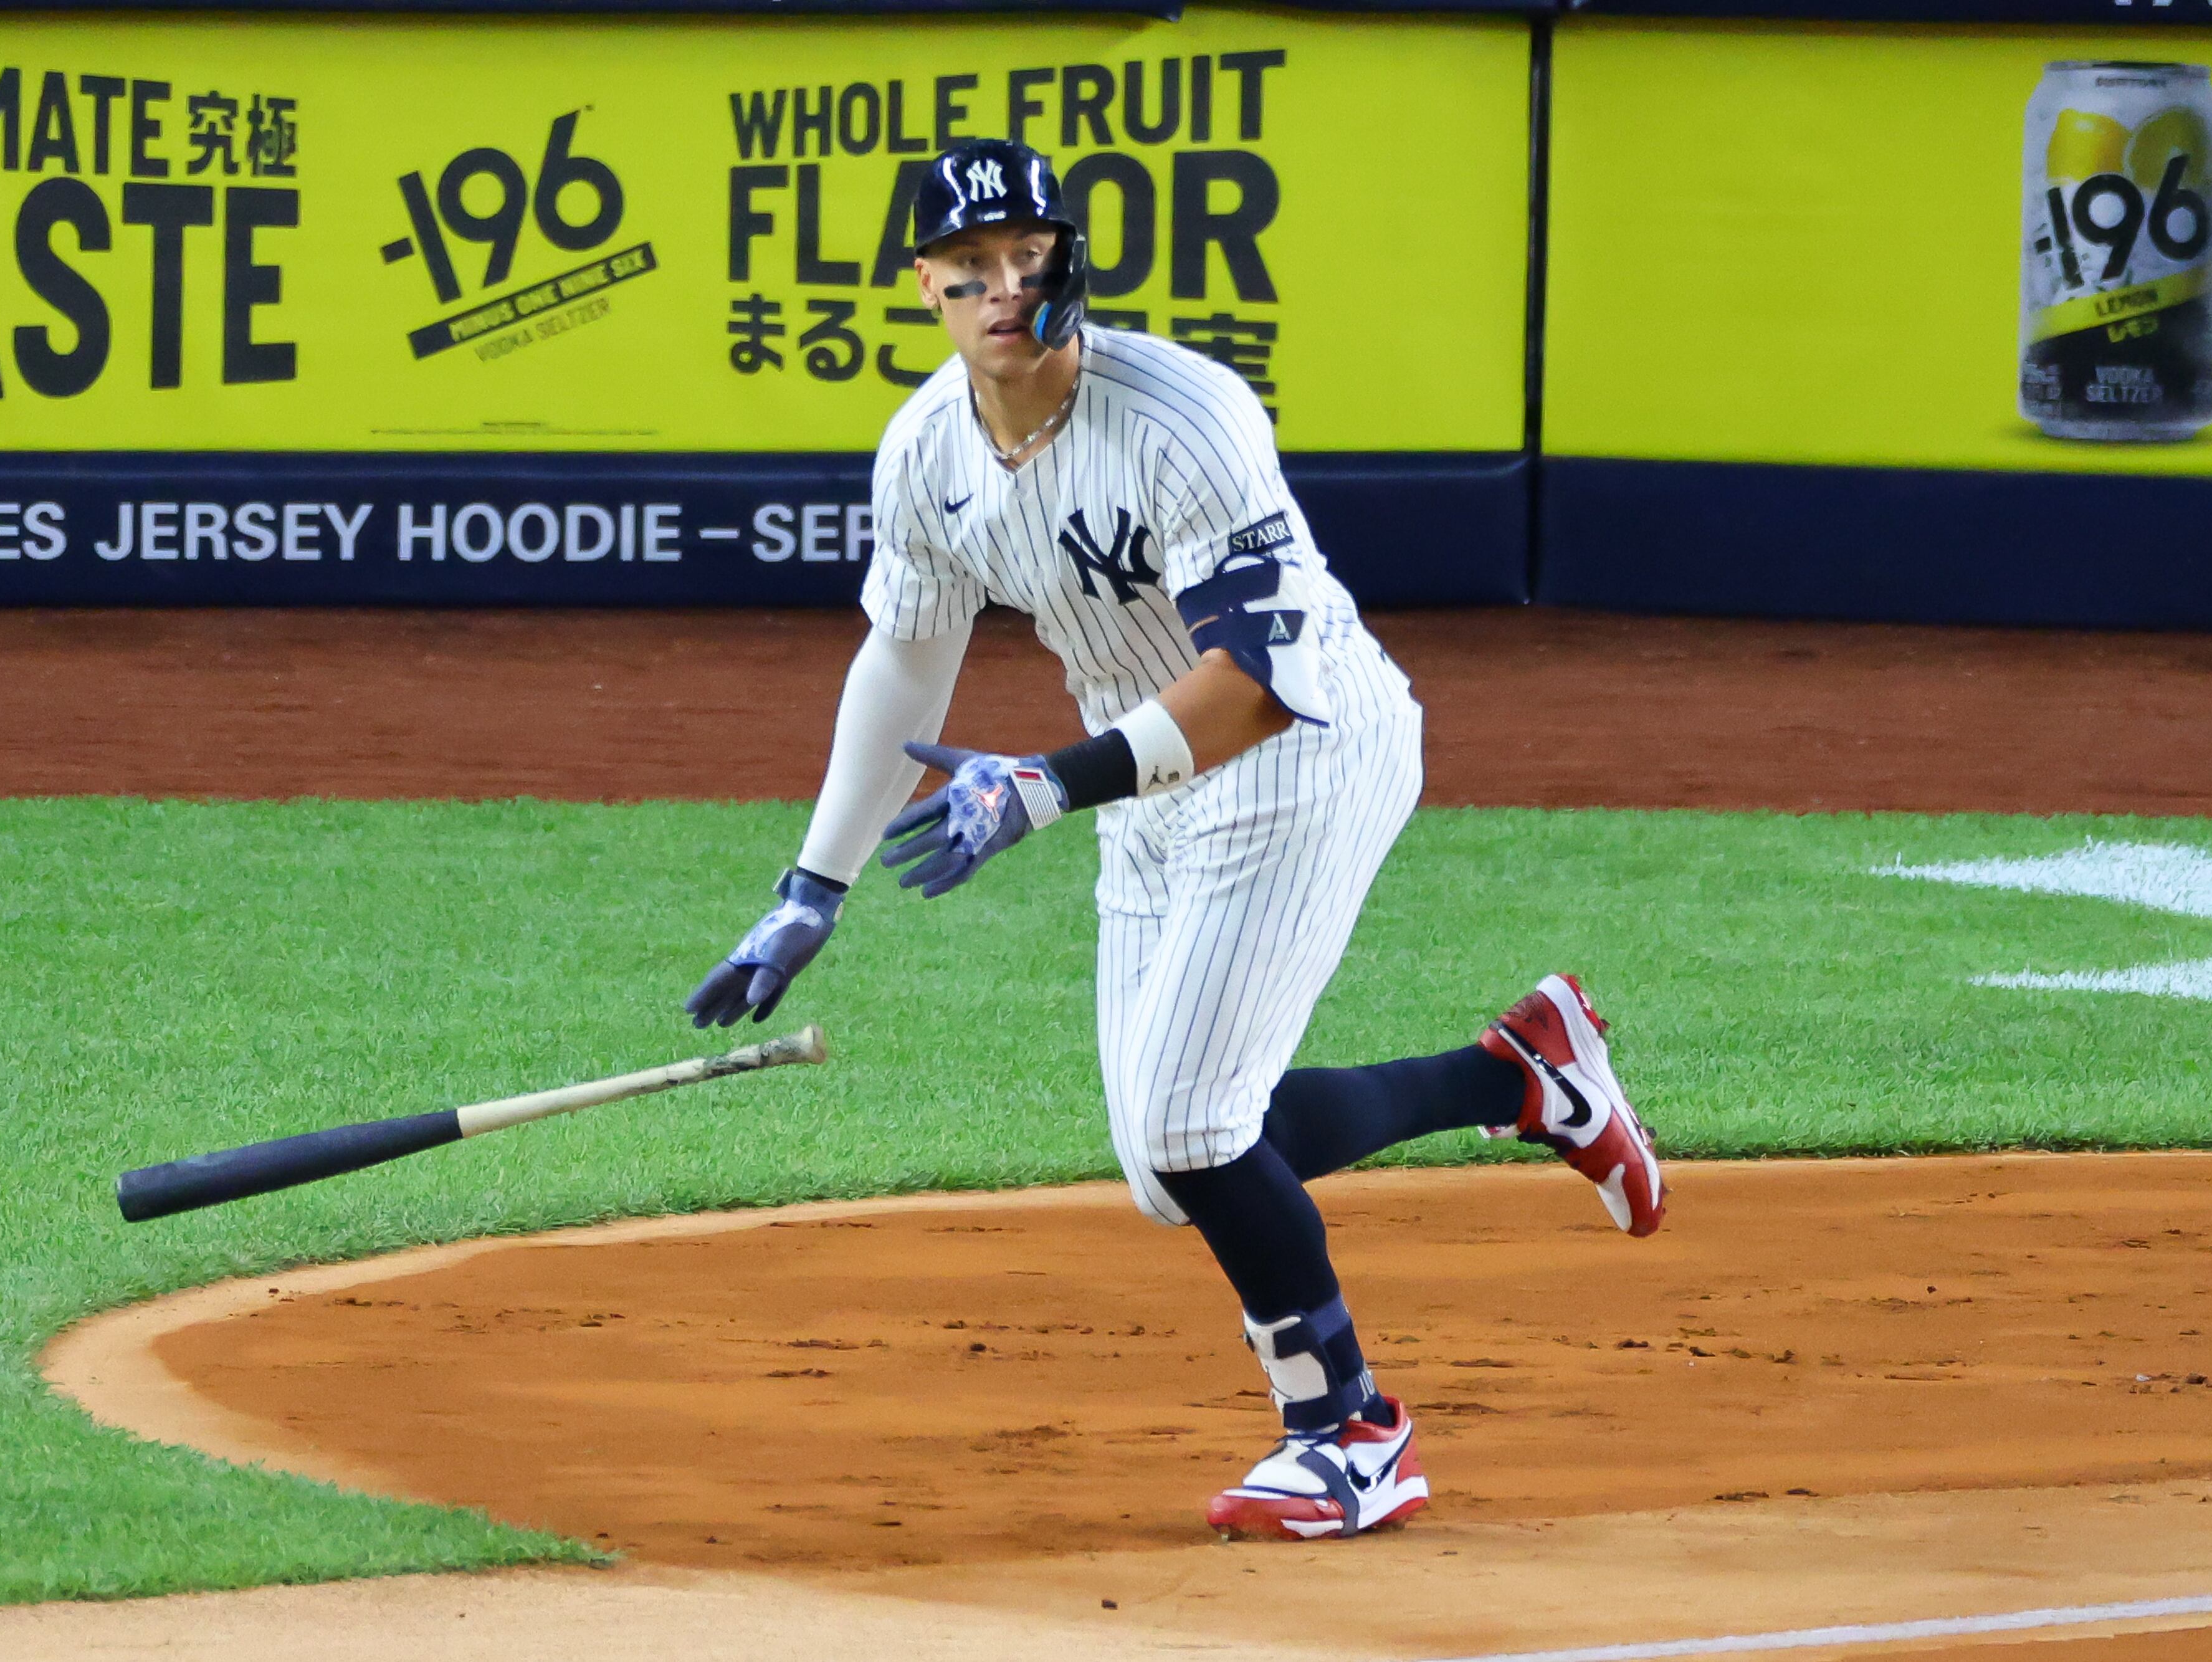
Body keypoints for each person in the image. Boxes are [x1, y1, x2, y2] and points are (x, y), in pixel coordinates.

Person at [687, 138, 1664, 1541]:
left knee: (1191, 1123)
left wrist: (1037, 790)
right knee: (1173, 1165)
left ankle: (1349, 1428)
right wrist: (808, 887)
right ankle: (1519, 1073)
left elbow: (1257, 686)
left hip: (1301, 753)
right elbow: (902, 660)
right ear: (924, 288)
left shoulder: (1181, 415)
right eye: (969, 269)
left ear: (1069, 256)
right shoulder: (925, 452)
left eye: (1027, 256)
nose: (1003, 288)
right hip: (1138, 780)